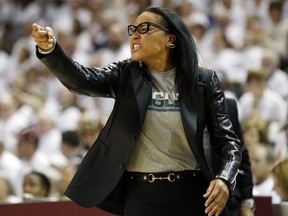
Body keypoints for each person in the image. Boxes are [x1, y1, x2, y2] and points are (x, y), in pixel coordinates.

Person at [31, 7, 242, 216]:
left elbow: (228, 142)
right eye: (133, 30)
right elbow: (83, 80)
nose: (135, 35)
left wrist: (224, 178)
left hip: (191, 190)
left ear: (170, 39)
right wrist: (51, 50)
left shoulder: (202, 81)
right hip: (141, 193)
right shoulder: (126, 74)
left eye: (145, 28)